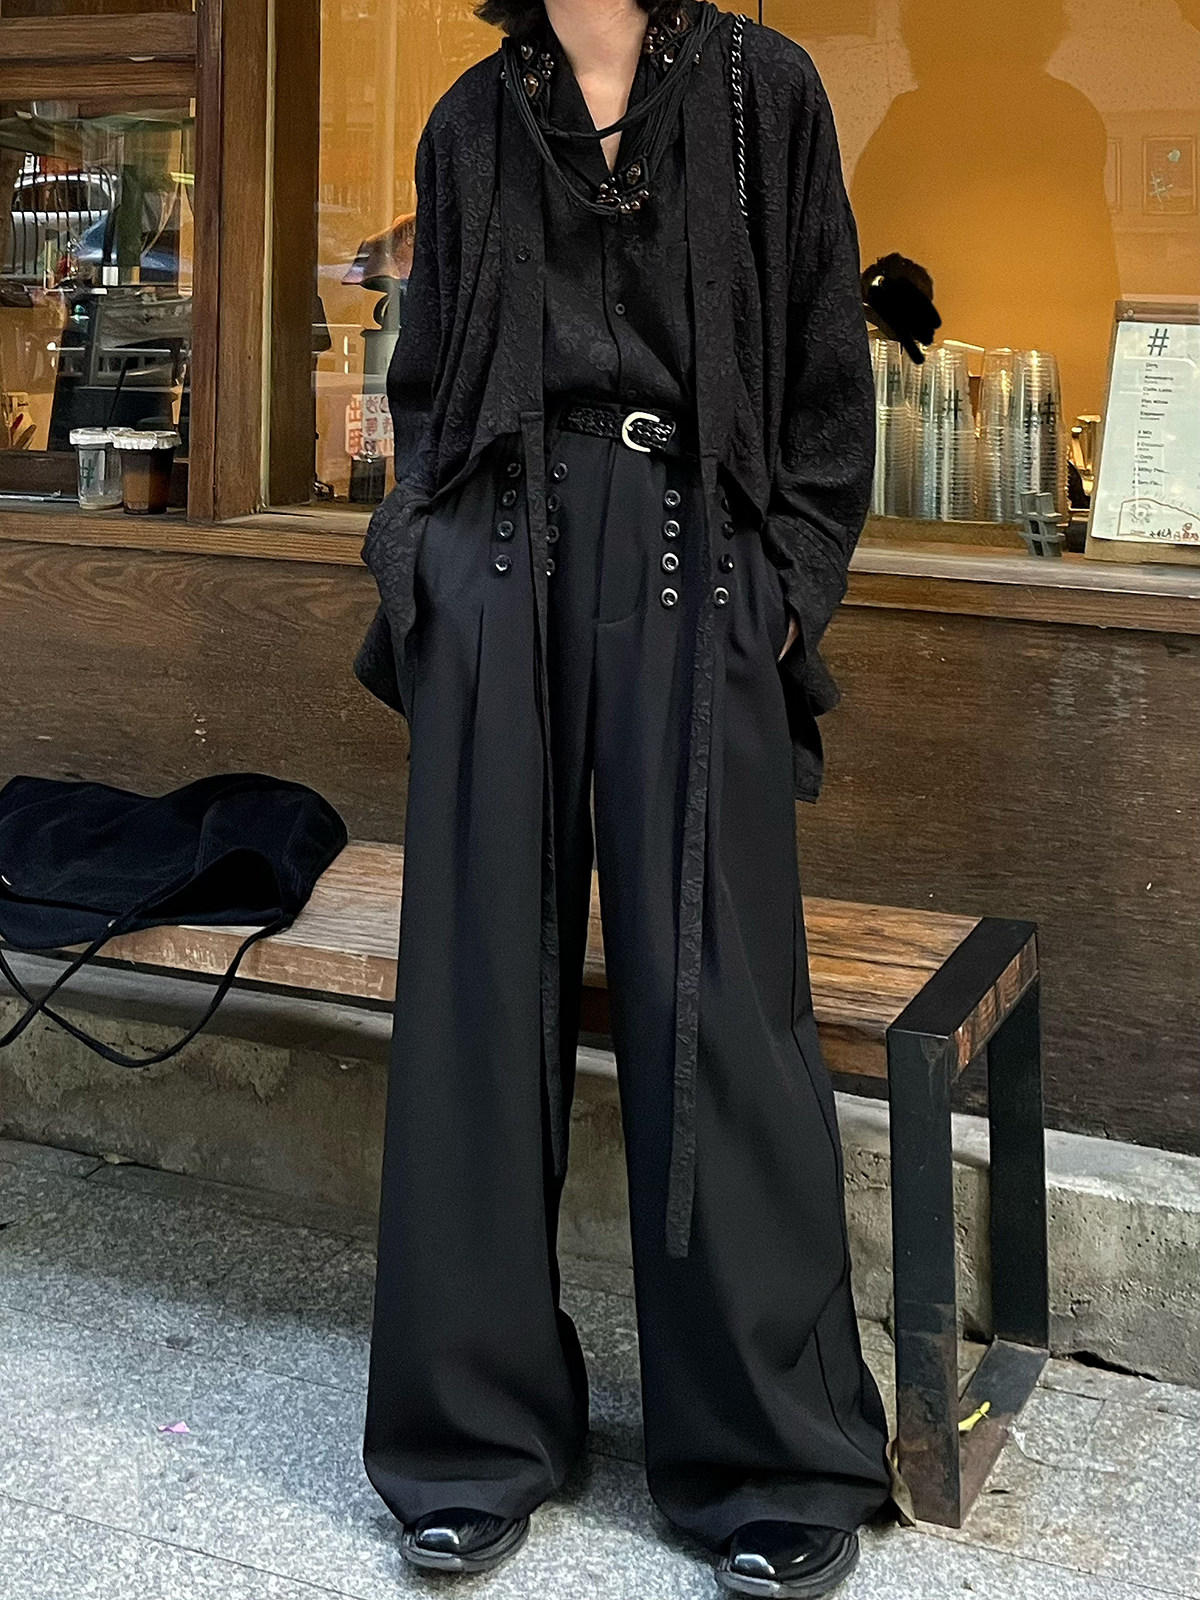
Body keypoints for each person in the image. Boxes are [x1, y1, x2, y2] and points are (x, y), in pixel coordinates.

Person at [352, 1, 897, 1594]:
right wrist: (420, 563)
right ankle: (470, 1438)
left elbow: (825, 367)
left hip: (695, 564)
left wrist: (787, 584)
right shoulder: (470, 117)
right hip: (497, 568)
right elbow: (427, 381)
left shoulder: (763, 89)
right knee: (473, 997)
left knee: (720, 996)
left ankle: (766, 1453)